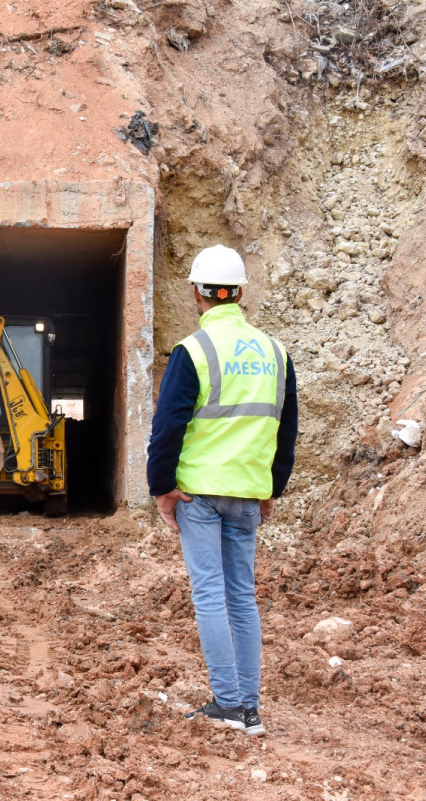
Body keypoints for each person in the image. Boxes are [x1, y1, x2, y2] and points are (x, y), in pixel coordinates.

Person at [146, 244, 297, 738]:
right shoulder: (276, 353)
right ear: (239, 293)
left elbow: (169, 425)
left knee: (210, 594)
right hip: (247, 494)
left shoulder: (195, 351)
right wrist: (270, 486)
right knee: (242, 597)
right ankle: (248, 708)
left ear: (197, 293)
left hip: (201, 495)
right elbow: (285, 428)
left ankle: (229, 705)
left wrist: (162, 486)